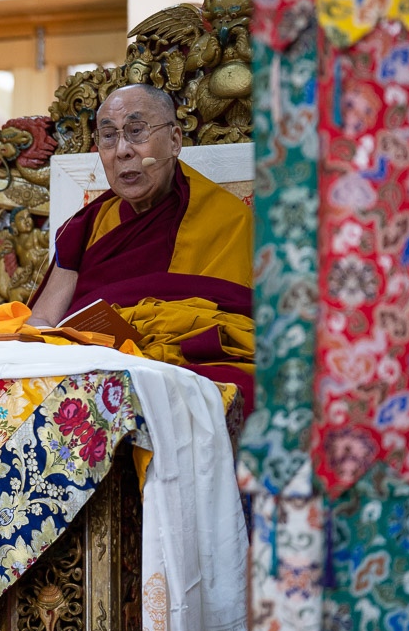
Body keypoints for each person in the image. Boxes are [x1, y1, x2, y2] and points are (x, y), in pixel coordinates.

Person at [26, 83, 255, 411]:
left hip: (188, 367)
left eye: (136, 131)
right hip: (94, 371)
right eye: (108, 136)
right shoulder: (87, 226)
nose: (122, 150)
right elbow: (43, 321)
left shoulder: (229, 220)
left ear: (175, 141)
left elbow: (240, 328)